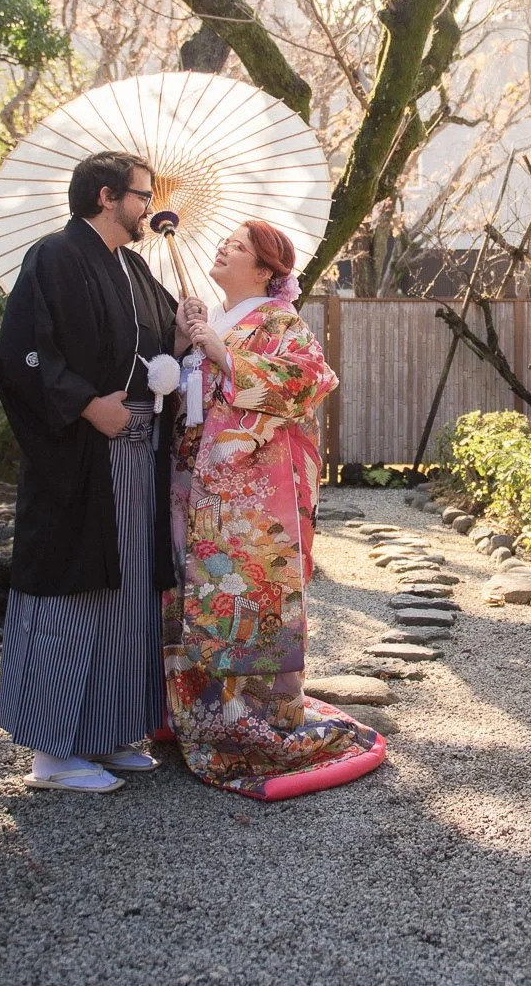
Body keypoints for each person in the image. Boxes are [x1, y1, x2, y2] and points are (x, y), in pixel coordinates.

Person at [164, 220, 386, 800]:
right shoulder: (209, 316)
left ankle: (246, 719)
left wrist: (222, 355)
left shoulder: (279, 322)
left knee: (242, 592)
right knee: (188, 590)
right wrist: (186, 346)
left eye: (236, 246)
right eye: (225, 240)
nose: (222, 247)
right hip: (195, 481)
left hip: (245, 494)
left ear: (265, 271)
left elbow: (306, 383)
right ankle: (193, 707)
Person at [0, 151, 183, 793]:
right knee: (73, 588)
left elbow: (157, 346)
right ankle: (51, 752)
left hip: (133, 448)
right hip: (79, 449)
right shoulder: (54, 256)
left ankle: (104, 733)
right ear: (107, 196)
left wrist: (182, 333)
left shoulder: (132, 265)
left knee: (127, 591)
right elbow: (22, 352)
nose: (148, 207)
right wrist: (82, 401)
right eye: (141, 195)